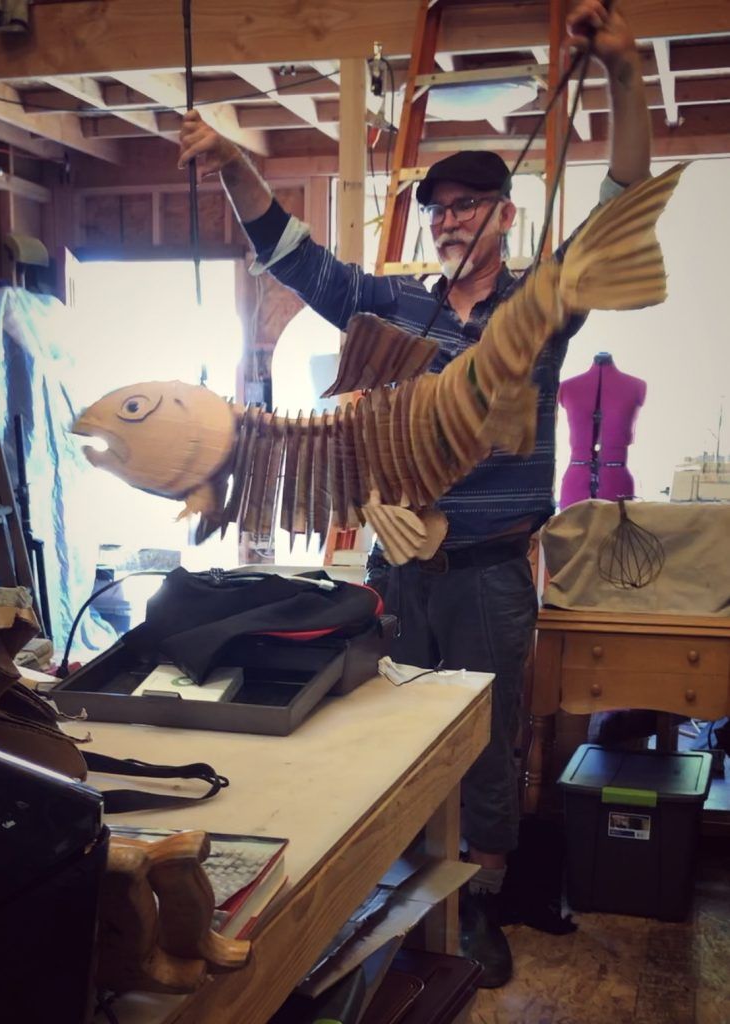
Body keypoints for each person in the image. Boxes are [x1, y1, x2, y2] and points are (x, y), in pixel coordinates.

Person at [178, 0, 651, 988]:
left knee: (485, 743)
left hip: (489, 573)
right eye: (437, 209)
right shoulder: (390, 305)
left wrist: (619, 73)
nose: (446, 220)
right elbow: (292, 255)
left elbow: (620, 204)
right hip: (401, 567)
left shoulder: (540, 306)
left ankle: (478, 905)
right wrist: (231, 165)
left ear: (504, 215)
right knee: (390, 736)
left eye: (467, 205)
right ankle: (401, 891)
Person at [558, 352, 647, 508]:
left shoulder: (637, 386)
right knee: (572, 524)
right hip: (575, 483)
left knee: (617, 524)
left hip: (617, 484)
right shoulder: (566, 387)